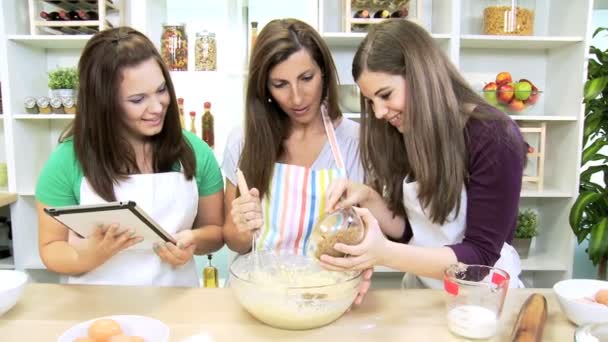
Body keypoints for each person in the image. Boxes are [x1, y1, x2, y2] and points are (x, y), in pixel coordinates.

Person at [319, 20, 527, 289]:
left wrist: (384, 254)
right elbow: (413, 234)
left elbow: (479, 260)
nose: (380, 112)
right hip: (423, 294)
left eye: (386, 94)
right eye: (372, 101)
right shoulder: (405, 132)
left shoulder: (494, 136)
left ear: (421, 75)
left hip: (480, 302)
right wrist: (369, 197)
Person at [35, 27, 225, 287]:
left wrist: (194, 240)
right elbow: (50, 247)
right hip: (97, 309)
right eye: (137, 99)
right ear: (104, 103)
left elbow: (215, 232)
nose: (157, 107)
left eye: (161, 90)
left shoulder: (195, 152)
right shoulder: (66, 160)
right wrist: (89, 255)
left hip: (178, 303)